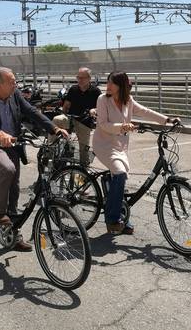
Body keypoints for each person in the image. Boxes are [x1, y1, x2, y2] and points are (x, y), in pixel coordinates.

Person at [0, 67, 69, 251]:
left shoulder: (15, 95)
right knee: (8, 170)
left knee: (15, 186)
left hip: (14, 146)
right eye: (11, 81)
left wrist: (54, 128)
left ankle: (12, 232)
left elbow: (32, 111)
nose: (15, 84)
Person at [92, 71, 180, 235]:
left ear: (121, 86)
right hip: (104, 144)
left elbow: (145, 111)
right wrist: (122, 126)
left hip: (119, 145)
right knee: (119, 174)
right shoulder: (103, 99)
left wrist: (167, 119)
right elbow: (103, 124)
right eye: (108, 82)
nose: (108, 86)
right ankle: (112, 220)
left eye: (112, 83)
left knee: (121, 178)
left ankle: (123, 216)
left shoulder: (128, 100)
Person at [52, 67, 101, 165]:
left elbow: (101, 107)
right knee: (57, 119)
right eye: (78, 77)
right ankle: (51, 149)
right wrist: (64, 116)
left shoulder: (96, 91)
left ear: (89, 78)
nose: (80, 80)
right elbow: (66, 106)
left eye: (82, 78)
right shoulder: (73, 89)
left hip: (85, 121)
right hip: (70, 117)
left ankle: (83, 169)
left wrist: (94, 110)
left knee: (83, 148)